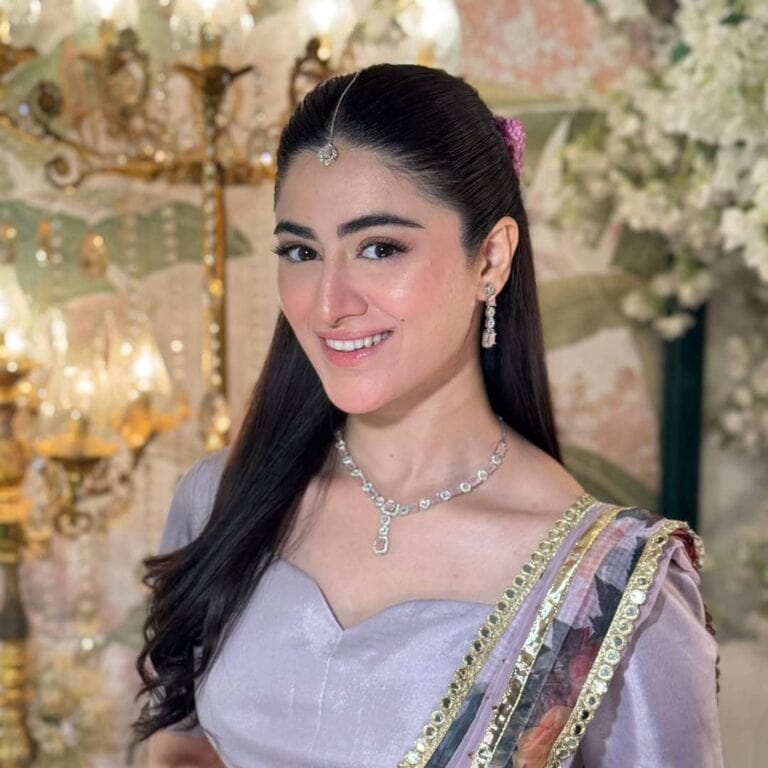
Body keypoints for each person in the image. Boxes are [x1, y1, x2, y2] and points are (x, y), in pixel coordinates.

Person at [135, 63, 722, 768]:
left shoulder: (620, 594)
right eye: (301, 251)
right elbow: (176, 744)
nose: (328, 304)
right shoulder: (221, 502)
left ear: (492, 258)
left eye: (380, 248)